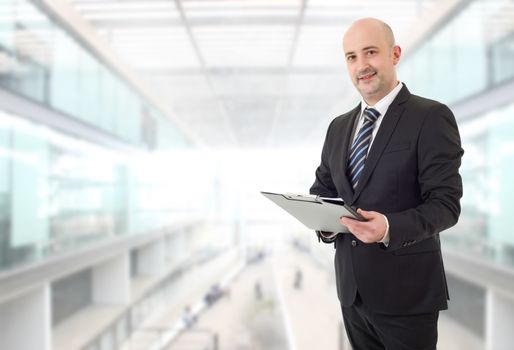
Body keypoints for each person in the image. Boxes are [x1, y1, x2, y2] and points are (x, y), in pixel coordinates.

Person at [309, 18, 463, 350]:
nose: (361, 65)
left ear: (394, 54)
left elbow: (446, 205)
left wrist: (389, 227)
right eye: (351, 57)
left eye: (370, 52)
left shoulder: (430, 117)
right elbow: (323, 188)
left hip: (407, 296)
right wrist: (325, 225)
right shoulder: (338, 127)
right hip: (352, 294)